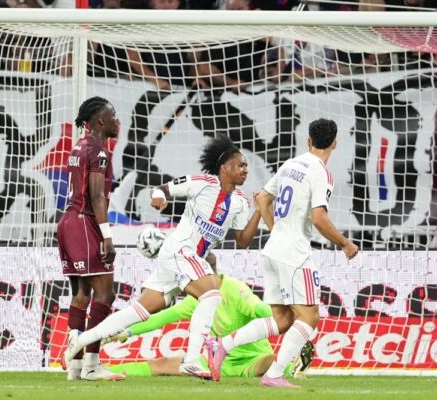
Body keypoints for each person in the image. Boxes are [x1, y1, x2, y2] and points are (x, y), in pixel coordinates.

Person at [64, 135, 261, 380]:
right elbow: (163, 188)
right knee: (211, 294)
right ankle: (191, 360)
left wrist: (260, 210)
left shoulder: (241, 202)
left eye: (245, 166)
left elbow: (243, 240)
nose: (245, 169)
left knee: (140, 311)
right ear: (225, 168)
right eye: (240, 165)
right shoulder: (201, 183)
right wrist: (159, 196)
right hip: (180, 250)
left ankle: (79, 340)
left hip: (186, 259)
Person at [207, 118, 359, 387]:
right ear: (335, 143)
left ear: (308, 141)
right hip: (294, 252)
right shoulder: (321, 172)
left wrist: (276, 229)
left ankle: (224, 344)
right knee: (309, 317)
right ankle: (275, 373)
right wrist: (345, 244)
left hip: (273, 249)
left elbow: (263, 199)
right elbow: (320, 217)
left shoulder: (291, 164)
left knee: (281, 318)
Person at [104, 255, 315, 379]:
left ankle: (292, 365)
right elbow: (160, 318)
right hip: (218, 362)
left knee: (269, 362)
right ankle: (106, 371)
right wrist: (126, 332)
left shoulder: (235, 290)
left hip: (253, 358)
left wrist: (299, 321)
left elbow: (266, 312)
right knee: (162, 364)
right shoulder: (197, 296)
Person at [58, 97, 124, 381]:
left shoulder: (78, 146)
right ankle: (92, 364)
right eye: (113, 116)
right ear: (100, 120)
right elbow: (96, 196)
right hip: (86, 223)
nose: (116, 121)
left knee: (81, 294)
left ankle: (75, 366)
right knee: (105, 293)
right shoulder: (98, 152)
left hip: (68, 222)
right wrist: (107, 235)